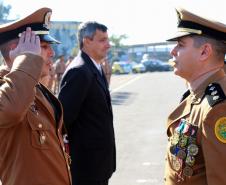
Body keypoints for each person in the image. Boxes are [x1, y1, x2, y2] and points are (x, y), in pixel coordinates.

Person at [0, 8, 71, 185]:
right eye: (44, 46)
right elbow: (11, 110)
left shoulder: (33, 86)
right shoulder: (6, 87)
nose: (52, 53)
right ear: (17, 50)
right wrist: (26, 60)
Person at [164, 7, 226, 184]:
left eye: (180, 45)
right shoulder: (197, 94)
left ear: (205, 52)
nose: (172, 51)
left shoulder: (218, 107)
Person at [58, 21, 116, 185]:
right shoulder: (79, 71)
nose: (108, 45)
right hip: (86, 167)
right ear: (86, 41)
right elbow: (64, 119)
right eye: (102, 40)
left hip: (98, 164)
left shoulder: (93, 67)